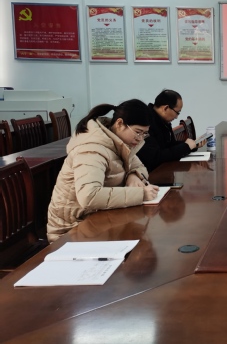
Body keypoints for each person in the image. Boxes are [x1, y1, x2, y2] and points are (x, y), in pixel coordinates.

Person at [47, 99, 159, 242]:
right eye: (138, 132)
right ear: (119, 123)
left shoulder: (118, 141)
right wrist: (141, 194)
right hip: (72, 230)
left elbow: (139, 166)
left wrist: (133, 175)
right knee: (141, 241)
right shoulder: (92, 149)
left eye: (144, 134)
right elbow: (89, 196)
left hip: (96, 219)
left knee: (146, 235)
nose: (140, 138)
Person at [137, 89, 200, 172]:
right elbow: (156, 156)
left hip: (164, 169)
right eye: (177, 112)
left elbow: (170, 145)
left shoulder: (163, 121)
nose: (177, 117)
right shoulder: (146, 122)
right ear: (166, 108)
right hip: (151, 173)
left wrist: (192, 145)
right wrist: (186, 146)